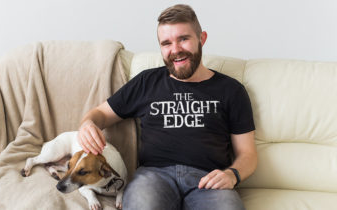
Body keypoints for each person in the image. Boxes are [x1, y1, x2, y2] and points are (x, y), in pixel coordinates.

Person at [77, 4, 257, 210]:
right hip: (153, 178)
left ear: (202, 38)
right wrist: (87, 124)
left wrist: (232, 174)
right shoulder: (146, 82)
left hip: (208, 181)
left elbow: (248, 154)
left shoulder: (231, 90)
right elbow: (100, 114)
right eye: (166, 43)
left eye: (184, 39)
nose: (176, 50)